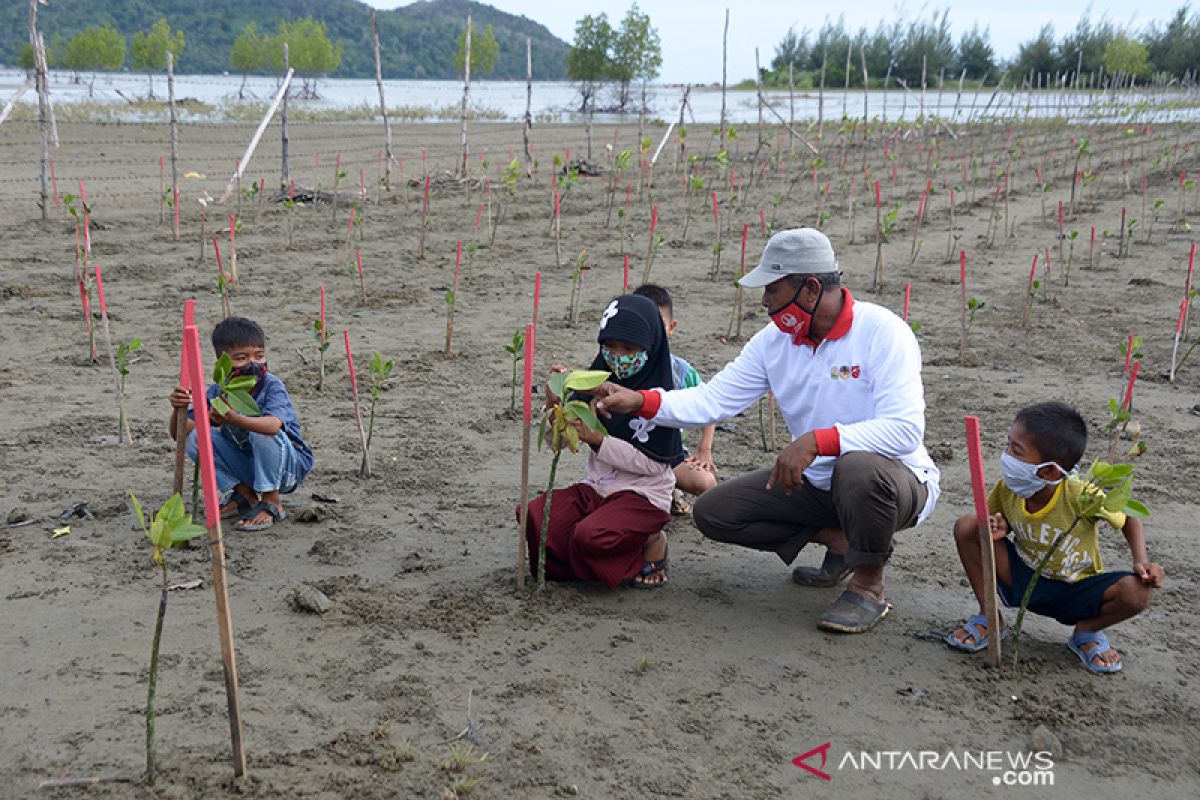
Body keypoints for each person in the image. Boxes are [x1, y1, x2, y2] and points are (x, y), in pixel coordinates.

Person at [594, 228, 940, 632]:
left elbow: (904, 430)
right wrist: (640, 400)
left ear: (810, 289)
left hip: (893, 483)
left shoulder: (883, 331)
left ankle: (868, 586)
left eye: (773, 290)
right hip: (817, 483)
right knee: (715, 513)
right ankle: (841, 541)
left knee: (857, 467)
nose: (764, 302)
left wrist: (818, 441)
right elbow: (713, 399)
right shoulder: (774, 342)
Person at [946, 402, 1164, 673]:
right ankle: (989, 615)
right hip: (1025, 577)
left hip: (1076, 589)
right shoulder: (1008, 489)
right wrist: (999, 528)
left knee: (1137, 593)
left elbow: (1130, 518)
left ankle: (1087, 632)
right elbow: (993, 524)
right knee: (968, 525)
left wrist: (1140, 561)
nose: (1006, 456)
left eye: (1016, 451)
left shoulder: (1080, 496)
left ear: (1049, 471)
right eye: (1008, 445)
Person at [519, 294, 686, 589]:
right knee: (533, 515)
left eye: (629, 349)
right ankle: (587, 563)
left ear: (651, 347)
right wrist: (555, 408)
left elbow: (653, 464)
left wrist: (597, 440)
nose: (618, 356)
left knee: (590, 535)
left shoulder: (661, 399)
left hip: (642, 494)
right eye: (610, 347)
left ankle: (650, 541)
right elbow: (556, 444)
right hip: (597, 489)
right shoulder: (592, 381)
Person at [168, 317, 313, 531]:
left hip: (287, 469)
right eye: (241, 358)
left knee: (260, 431)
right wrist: (179, 410)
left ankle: (271, 501)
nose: (253, 363)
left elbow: (273, 426)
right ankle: (245, 496)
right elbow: (180, 434)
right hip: (250, 467)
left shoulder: (271, 385)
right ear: (222, 363)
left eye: (259, 355)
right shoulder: (218, 392)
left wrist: (234, 419)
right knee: (196, 437)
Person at [633, 284, 719, 515]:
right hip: (626, 456)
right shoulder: (620, 366)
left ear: (671, 328)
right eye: (643, 325)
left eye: (658, 325)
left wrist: (704, 449)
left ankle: (670, 488)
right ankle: (665, 492)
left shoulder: (681, 371)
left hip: (669, 455)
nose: (652, 333)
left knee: (706, 482)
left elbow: (708, 408)